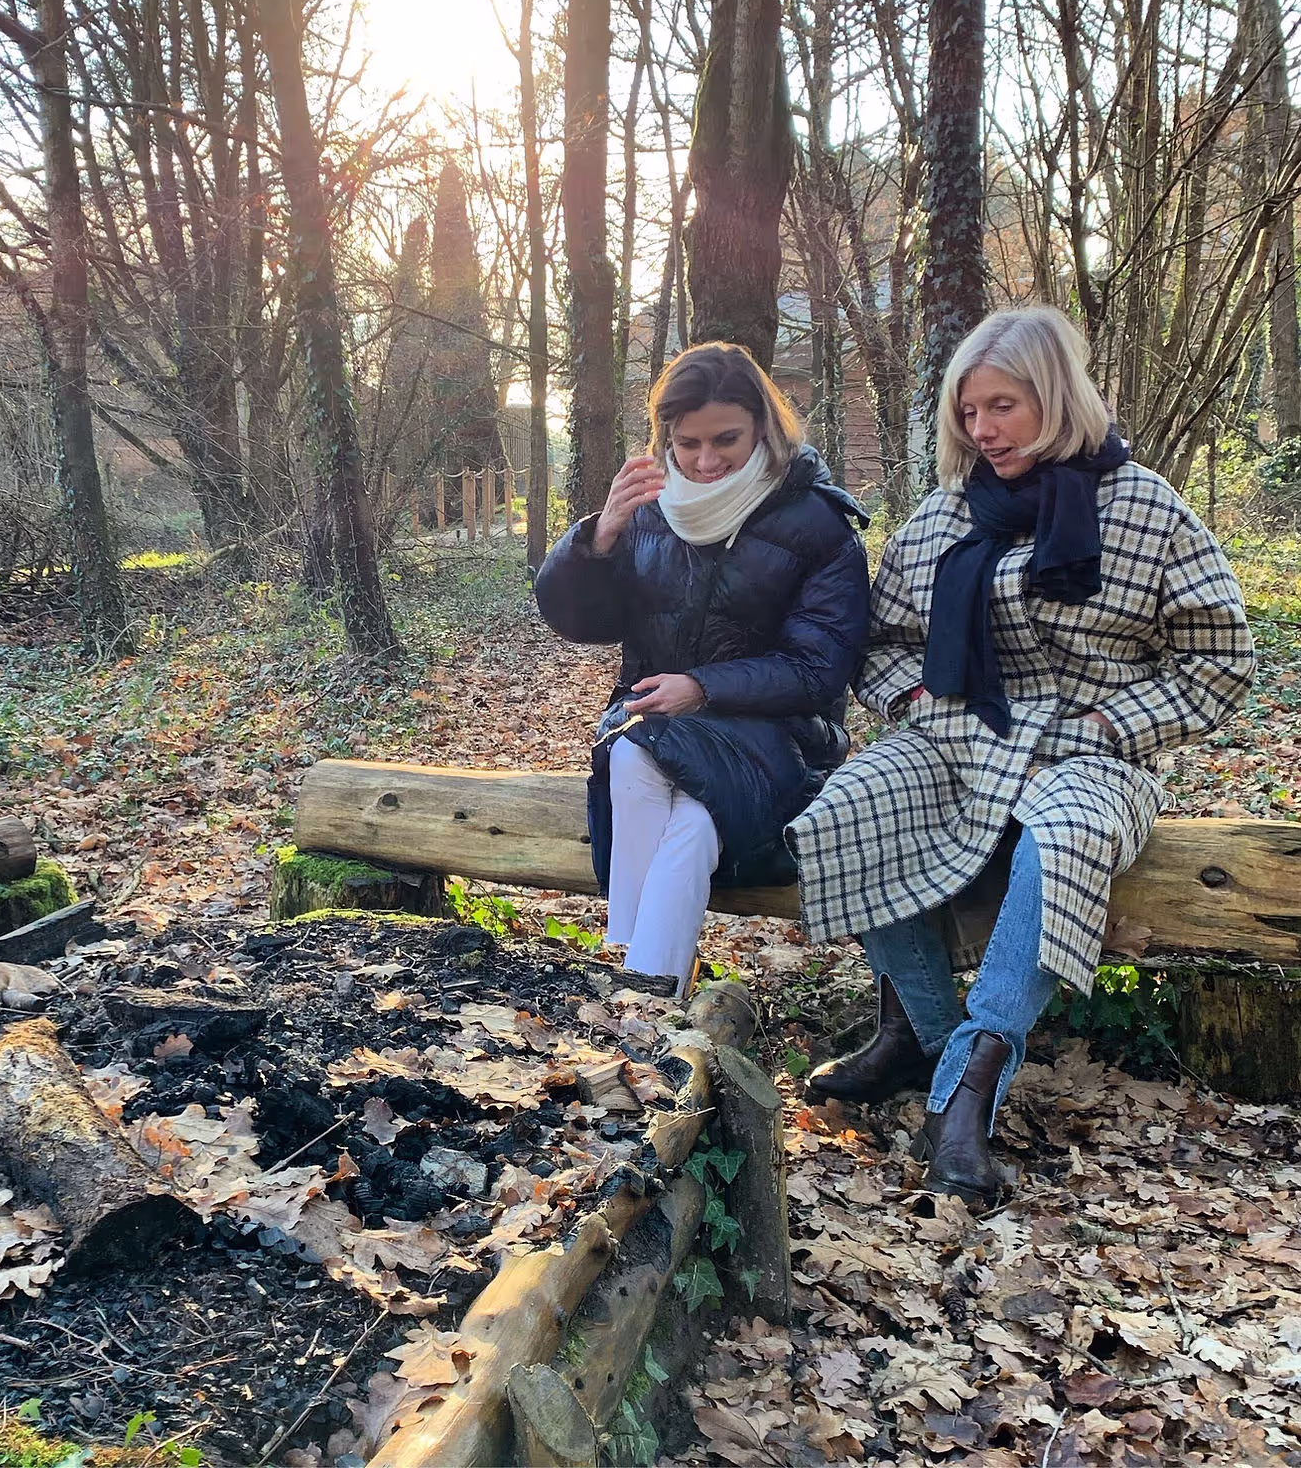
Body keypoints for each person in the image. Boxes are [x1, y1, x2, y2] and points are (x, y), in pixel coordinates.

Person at [792, 307, 1255, 1203]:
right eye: (968, 412)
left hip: (1095, 751)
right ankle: (922, 1034)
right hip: (956, 742)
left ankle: (970, 1086)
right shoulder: (945, 516)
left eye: (1002, 405)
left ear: (1056, 396)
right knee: (844, 808)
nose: (982, 429)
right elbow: (880, 647)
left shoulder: (1146, 507)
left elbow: (1218, 661)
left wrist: (1112, 728)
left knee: (1069, 832)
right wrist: (920, 703)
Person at [534, 341, 871, 993]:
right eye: (687, 443)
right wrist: (598, 539)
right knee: (651, 774)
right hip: (658, 726)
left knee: (667, 788)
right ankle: (652, 989)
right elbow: (576, 621)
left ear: (764, 428)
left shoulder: (819, 524)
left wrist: (703, 686)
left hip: (781, 745)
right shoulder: (651, 509)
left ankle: (638, 985)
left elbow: (820, 671)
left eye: (727, 439)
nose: (706, 460)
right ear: (665, 435)